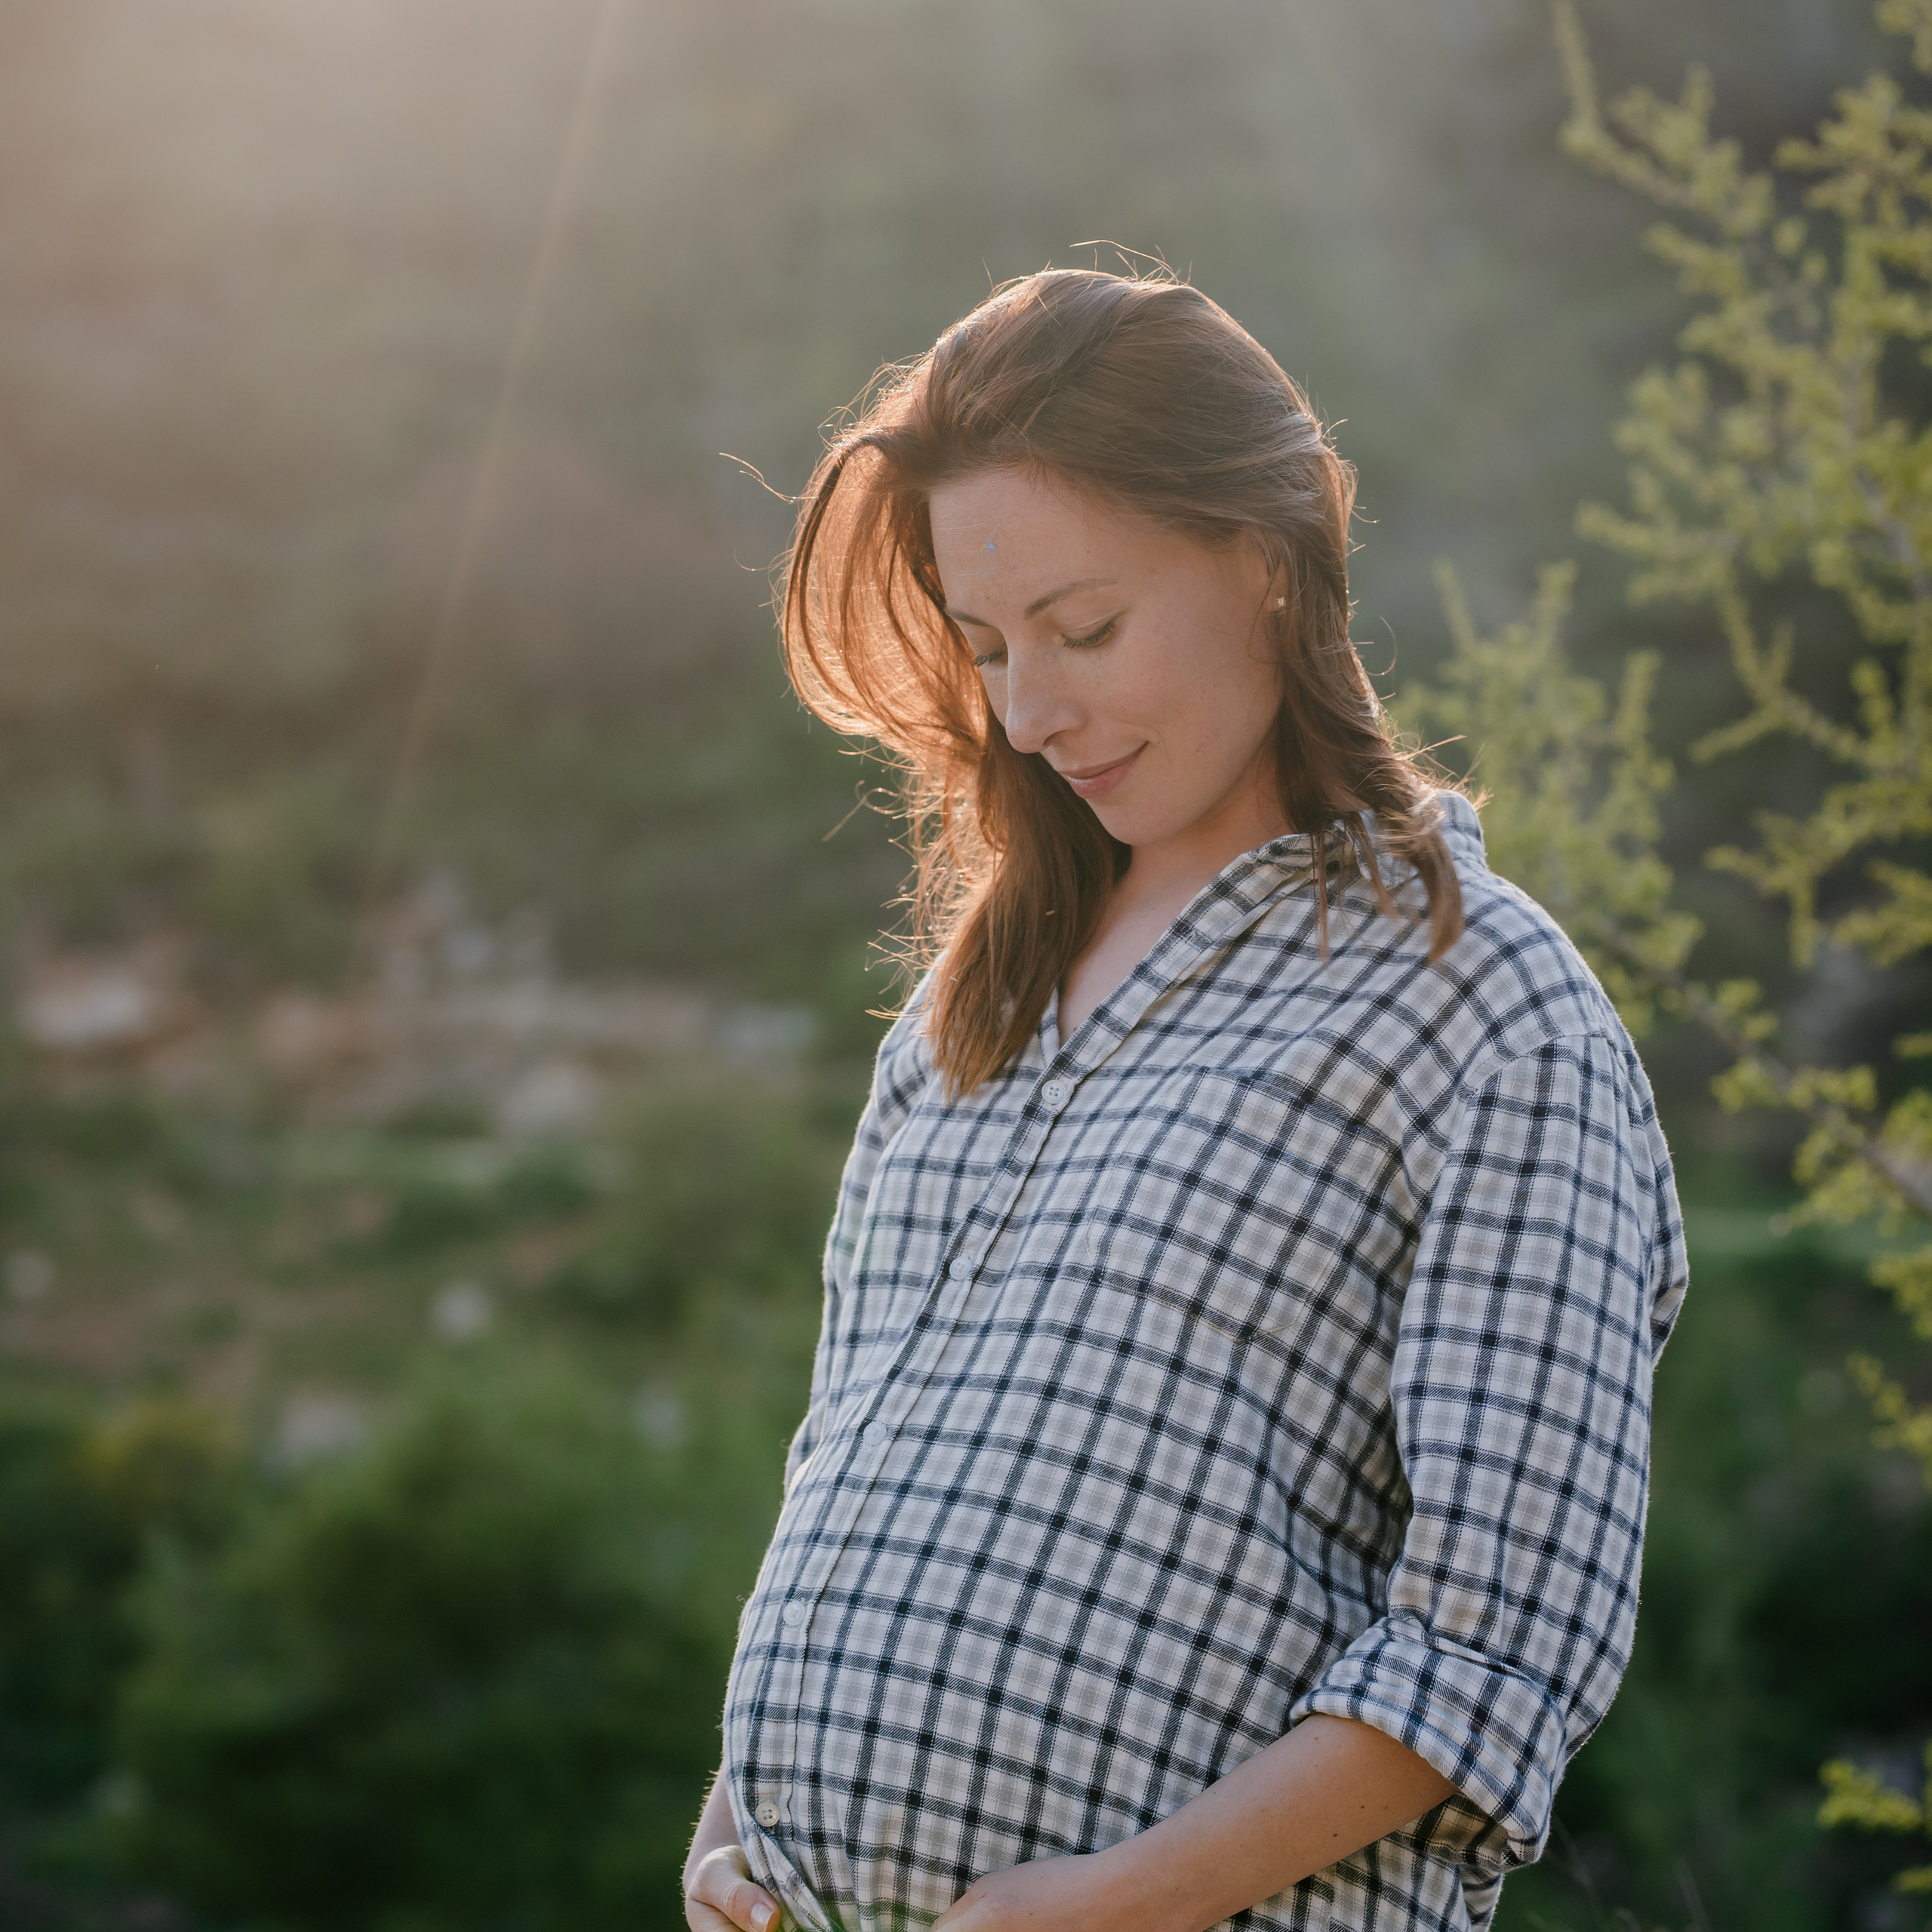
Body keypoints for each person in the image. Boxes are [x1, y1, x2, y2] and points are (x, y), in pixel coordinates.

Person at [682, 267, 1687, 1932]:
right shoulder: (965, 1004)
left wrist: (1116, 1901)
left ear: (1270, 563)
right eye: (988, 645)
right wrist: (736, 1825)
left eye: (1084, 629)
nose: (1027, 709)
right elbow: (845, 1465)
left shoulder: (1488, 1013)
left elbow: (1498, 1643)